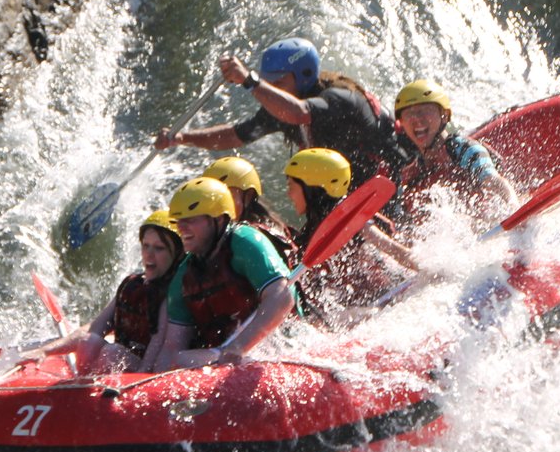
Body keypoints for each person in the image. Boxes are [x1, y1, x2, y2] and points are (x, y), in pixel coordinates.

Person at [154, 38, 415, 195]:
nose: (272, 89)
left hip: (389, 179)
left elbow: (299, 113)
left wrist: (249, 80)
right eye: (270, 82)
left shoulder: (339, 98)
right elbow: (235, 135)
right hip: (345, 188)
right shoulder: (279, 109)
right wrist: (181, 138)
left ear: (303, 76)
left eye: (278, 81)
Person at [148, 176, 296, 370]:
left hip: (283, 345)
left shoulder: (246, 242)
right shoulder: (184, 276)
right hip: (225, 357)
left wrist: (239, 347)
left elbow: (282, 298)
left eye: (190, 220)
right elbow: (172, 349)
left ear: (218, 219)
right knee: (171, 361)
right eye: (178, 221)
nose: (180, 228)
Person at [42, 210, 184, 374]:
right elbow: (92, 330)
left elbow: (158, 342)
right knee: (90, 341)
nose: (149, 255)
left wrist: (141, 377)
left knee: (112, 353)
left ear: (177, 254)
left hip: (145, 371)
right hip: (119, 365)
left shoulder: (173, 294)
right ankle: (82, 388)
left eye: (159, 248)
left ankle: (94, 392)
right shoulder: (132, 284)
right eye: (146, 246)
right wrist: (45, 351)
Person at [283, 148, 413, 324]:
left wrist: (427, 267)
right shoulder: (312, 230)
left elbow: (390, 247)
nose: (287, 194)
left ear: (310, 186)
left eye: (291, 185)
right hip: (355, 310)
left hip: (388, 302)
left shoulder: (351, 216)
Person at [392, 79, 519, 231]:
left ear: (444, 115)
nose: (417, 119)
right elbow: (406, 227)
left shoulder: (463, 149)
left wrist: (513, 208)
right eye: (409, 114)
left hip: (489, 227)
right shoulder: (409, 175)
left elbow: (492, 179)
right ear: (402, 125)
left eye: (425, 111)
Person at [202, 155, 298, 267]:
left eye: (226, 196)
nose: (217, 206)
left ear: (249, 196)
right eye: (210, 200)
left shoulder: (256, 236)